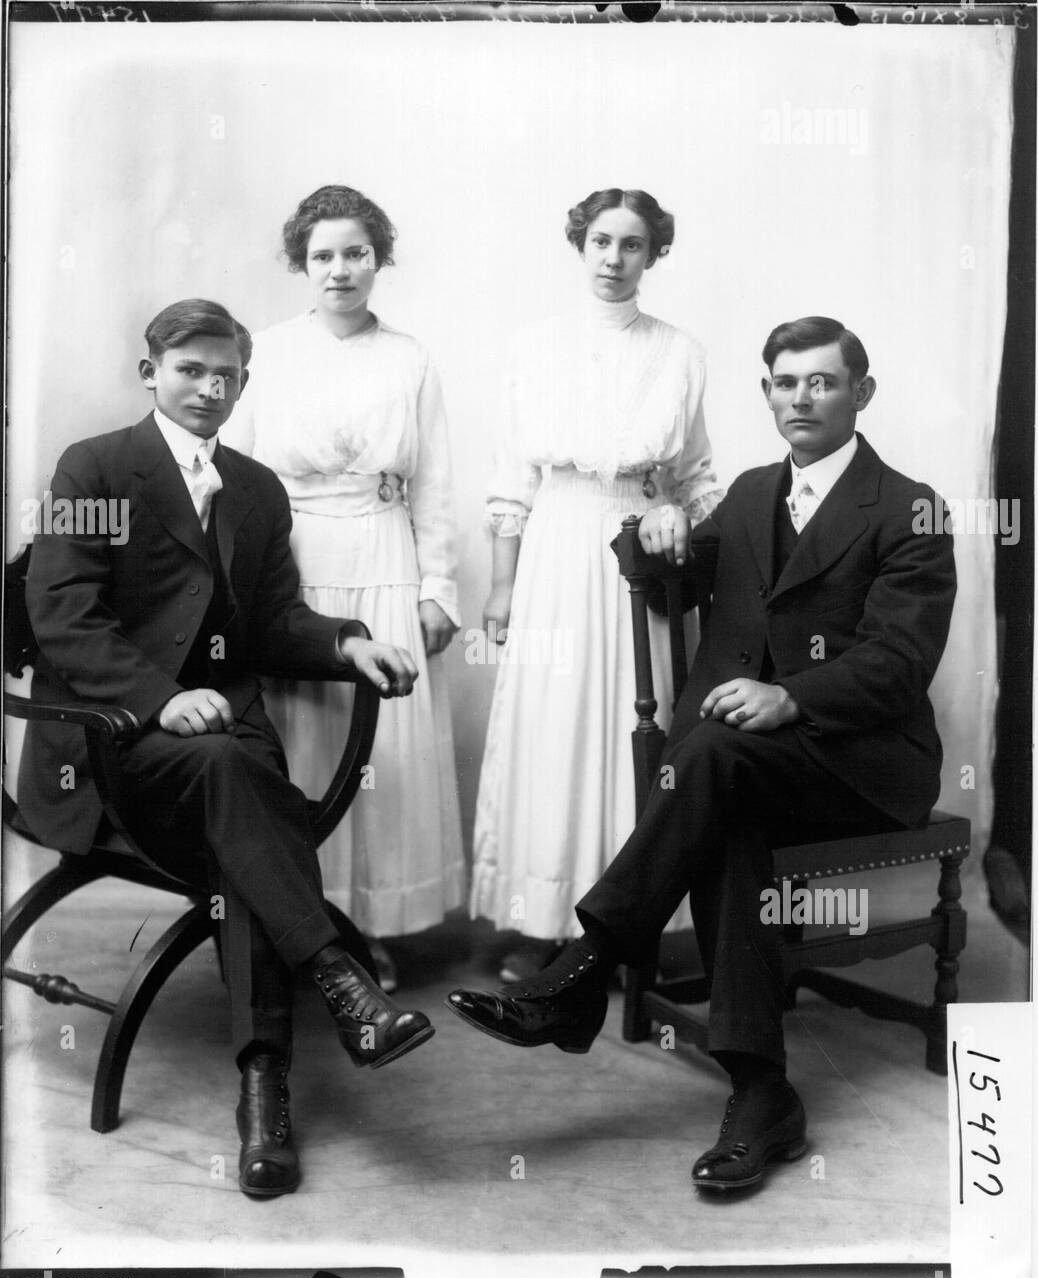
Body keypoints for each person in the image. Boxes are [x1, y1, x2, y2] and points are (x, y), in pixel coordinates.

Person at [449, 316, 957, 1193]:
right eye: (784, 383)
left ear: (861, 394)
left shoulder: (911, 506)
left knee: (714, 757)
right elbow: (671, 575)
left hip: (859, 768)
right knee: (729, 812)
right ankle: (763, 1093)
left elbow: (902, 663)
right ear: (766, 395)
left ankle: (581, 970)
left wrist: (793, 695)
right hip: (749, 772)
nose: (801, 398)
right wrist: (657, 524)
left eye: (822, 382)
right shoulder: (755, 492)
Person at [18, 300, 435, 1200]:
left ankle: (263, 1093)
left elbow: (274, 621)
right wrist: (162, 700)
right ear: (151, 373)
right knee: (236, 779)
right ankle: (337, 977)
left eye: (228, 376)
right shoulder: (95, 467)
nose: (210, 389)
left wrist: (342, 645)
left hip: (219, 754)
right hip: (111, 748)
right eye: (191, 370)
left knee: (235, 798)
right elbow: (63, 618)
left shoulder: (254, 488)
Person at [470, 187, 723, 981]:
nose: (614, 260)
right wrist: (503, 587)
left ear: (654, 255)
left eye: (633, 245)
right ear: (581, 247)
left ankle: (630, 924)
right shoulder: (533, 346)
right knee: (555, 725)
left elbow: (696, 475)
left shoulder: (681, 352)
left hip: (643, 554)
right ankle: (545, 925)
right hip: (556, 547)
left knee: (636, 726)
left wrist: (677, 513)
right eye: (601, 242)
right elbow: (512, 479)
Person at [222, 186, 464, 991]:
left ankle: (374, 929)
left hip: (383, 555)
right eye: (322, 254)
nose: (339, 269)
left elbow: (432, 481)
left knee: (378, 751)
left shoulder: (409, 356)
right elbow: (237, 475)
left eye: (355, 253)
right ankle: (301, 923)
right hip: (293, 562)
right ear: (301, 262)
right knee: (305, 746)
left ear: (378, 259)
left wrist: (437, 587)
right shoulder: (268, 351)